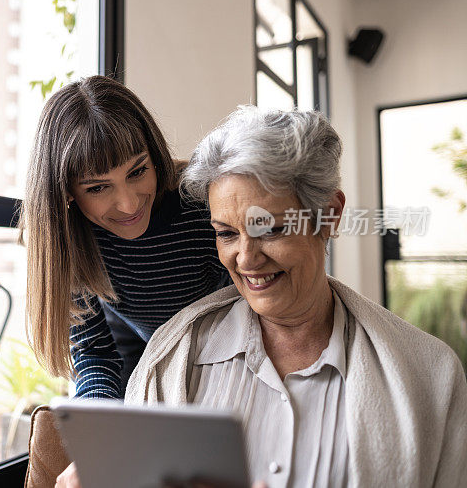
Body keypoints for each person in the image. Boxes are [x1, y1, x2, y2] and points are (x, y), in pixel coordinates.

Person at [125, 106, 467, 487]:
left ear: (330, 215)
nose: (246, 259)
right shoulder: (172, 359)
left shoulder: (431, 375)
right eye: (225, 233)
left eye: (270, 229)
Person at [21, 75, 229, 402]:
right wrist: (95, 421)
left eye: (137, 171)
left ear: (154, 155)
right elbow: (98, 357)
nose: (129, 204)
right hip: (147, 374)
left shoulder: (203, 203)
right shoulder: (71, 240)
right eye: (97, 187)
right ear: (67, 192)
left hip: (234, 361)